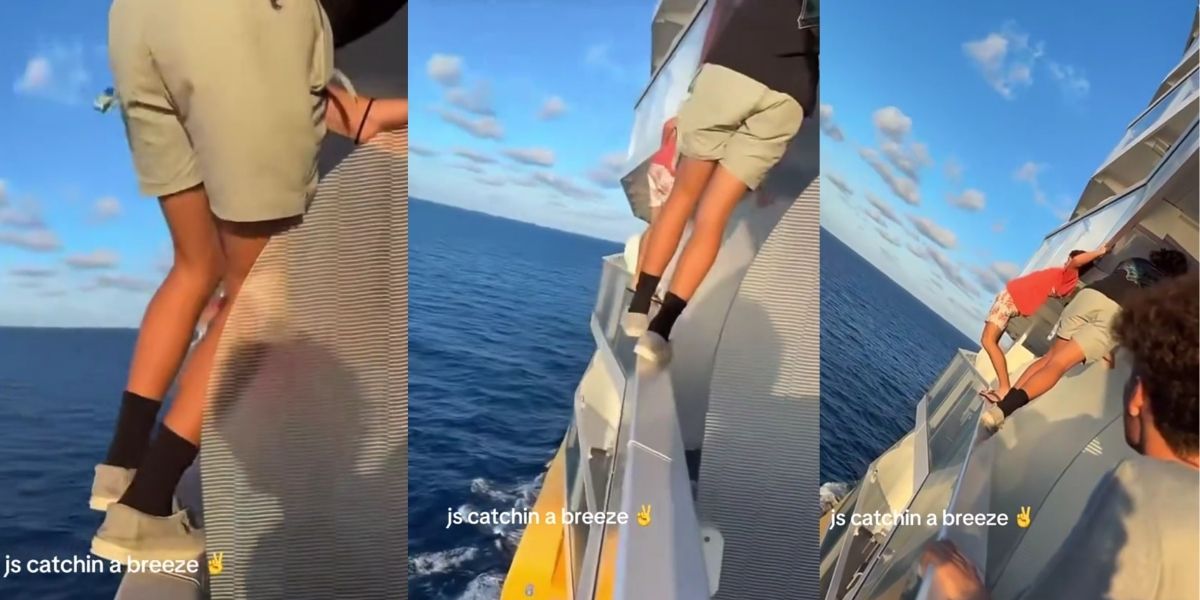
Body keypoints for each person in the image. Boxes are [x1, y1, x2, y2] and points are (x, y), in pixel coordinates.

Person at [91, 0, 406, 563]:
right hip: (249, 23)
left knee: (196, 264)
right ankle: (145, 509)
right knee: (261, 294)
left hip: (138, 20)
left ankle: (121, 467)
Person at [921, 273, 1199, 599]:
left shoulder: (1145, 492)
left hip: (1088, 299)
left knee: (1051, 360)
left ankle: (1005, 405)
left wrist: (967, 592)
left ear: (1139, 396)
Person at [621, 0, 817, 365]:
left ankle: (638, 307)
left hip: (736, 64)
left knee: (683, 197)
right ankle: (659, 332)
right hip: (790, 96)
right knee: (713, 218)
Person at [985, 248, 1189, 429]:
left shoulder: (1134, 261)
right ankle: (1002, 412)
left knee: (1049, 357)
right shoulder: (1168, 289)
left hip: (1091, 295)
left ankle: (1002, 404)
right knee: (1059, 364)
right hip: (1118, 313)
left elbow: (1119, 284)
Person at [979, 245, 1108, 401]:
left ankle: (1004, 388)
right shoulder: (1066, 279)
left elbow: (1076, 261)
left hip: (1010, 300)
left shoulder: (1069, 275)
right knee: (991, 341)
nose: (1066, 262)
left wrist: (1099, 252)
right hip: (1010, 299)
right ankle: (1003, 387)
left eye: (1069, 259)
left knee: (987, 340)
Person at [632, 116, 679, 296]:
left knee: (654, 225)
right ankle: (652, 282)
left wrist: (666, 150)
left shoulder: (680, 116)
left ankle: (637, 276)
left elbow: (668, 126)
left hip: (657, 165)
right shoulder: (704, 116)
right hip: (672, 172)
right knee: (667, 230)